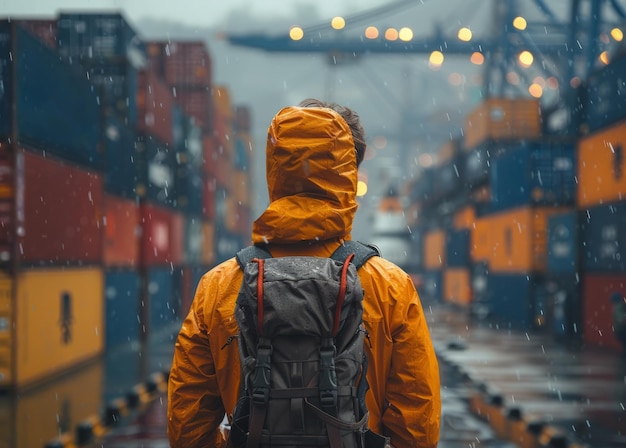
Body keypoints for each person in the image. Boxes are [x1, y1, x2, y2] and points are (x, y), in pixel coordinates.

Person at [167, 99, 441, 447]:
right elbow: (418, 431)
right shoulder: (390, 286)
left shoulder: (220, 285)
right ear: (349, 176)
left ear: (275, 171)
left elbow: (186, 429)